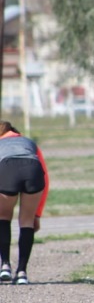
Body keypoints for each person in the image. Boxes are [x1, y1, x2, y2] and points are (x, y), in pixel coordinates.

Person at [0, 121, 49, 285]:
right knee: (27, 221)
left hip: (7, 169)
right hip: (32, 170)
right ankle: (22, 272)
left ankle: (5, 265)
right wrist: (37, 214)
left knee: (3, 217)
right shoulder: (29, 143)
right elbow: (45, 176)